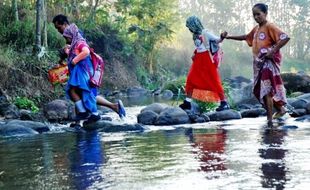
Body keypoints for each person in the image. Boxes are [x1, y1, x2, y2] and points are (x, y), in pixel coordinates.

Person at [223, 3, 290, 125]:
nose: (256, 17)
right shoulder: (257, 28)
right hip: (258, 64)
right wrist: (228, 37)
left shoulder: (270, 26)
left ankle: (269, 120)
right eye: (254, 15)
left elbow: (285, 37)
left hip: (268, 63)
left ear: (265, 14)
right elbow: (245, 37)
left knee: (267, 90)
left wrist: (272, 51)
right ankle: (280, 109)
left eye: (258, 14)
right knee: (260, 89)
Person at [53, 14, 126, 120]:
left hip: (83, 71)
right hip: (81, 70)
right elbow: (74, 52)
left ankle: (87, 115)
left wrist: (73, 60)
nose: (59, 31)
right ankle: (109, 108)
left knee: (82, 91)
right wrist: (63, 59)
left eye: (59, 28)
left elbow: (84, 52)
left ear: (65, 25)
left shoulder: (77, 37)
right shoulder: (73, 39)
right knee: (80, 92)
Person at [180, 16, 230, 112]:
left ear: (195, 24)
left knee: (214, 81)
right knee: (191, 79)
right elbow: (200, 47)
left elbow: (217, 40)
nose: (189, 29)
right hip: (198, 59)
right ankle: (187, 102)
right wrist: (195, 53)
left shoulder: (205, 33)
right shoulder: (195, 35)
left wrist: (222, 37)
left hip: (207, 59)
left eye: (190, 26)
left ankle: (224, 103)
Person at [62, 23, 100, 124]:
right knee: (73, 90)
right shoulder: (75, 43)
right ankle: (85, 112)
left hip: (83, 71)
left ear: (72, 36)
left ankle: (93, 114)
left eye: (67, 38)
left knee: (85, 91)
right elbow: (76, 51)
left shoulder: (80, 42)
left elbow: (86, 51)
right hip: (80, 72)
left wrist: (74, 60)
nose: (66, 40)